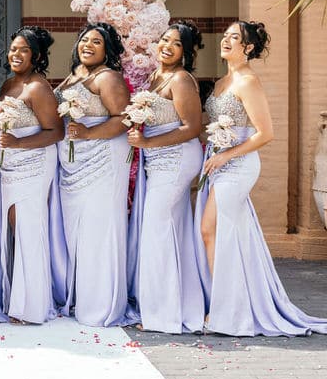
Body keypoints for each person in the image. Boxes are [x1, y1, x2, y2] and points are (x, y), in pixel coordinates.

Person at [195, 21, 327, 336]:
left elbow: (265, 133)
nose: (226, 41)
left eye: (235, 37)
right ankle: (232, 305)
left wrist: (227, 154)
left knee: (210, 229)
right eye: (225, 36)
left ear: (249, 47)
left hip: (239, 165)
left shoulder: (248, 81)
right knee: (226, 234)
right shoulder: (222, 82)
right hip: (218, 162)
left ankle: (226, 311)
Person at [125, 21, 205, 333]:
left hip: (177, 159)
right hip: (157, 160)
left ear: (186, 52)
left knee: (156, 230)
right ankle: (178, 304)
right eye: (164, 40)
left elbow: (192, 128)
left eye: (176, 44)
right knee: (172, 230)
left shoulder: (181, 79)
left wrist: (147, 142)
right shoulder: (156, 76)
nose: (167, 47)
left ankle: (161, 315)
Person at [0, 26, 65, 325]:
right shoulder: (7, 85)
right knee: (14, 228)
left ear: (37, 56)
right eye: (13, 49)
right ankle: (15, 298)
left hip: (34, 163)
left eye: (24, 50)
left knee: (29, 228)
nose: (16, 54)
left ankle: (33, 306)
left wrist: (18, 143)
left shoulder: (38, 88)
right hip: (9, 165)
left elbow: (56, 131)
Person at [53, 22, 131, 327]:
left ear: (107, 49)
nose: (88, 45)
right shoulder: (75, 75)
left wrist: (88, 133)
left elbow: (123, 118)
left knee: (98, 229)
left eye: (97, 42)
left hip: (101, 158)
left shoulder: (108, 77)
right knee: (75, 233)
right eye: (85, 40)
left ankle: (100, 303)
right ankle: (79, 296)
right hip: (73, 161)